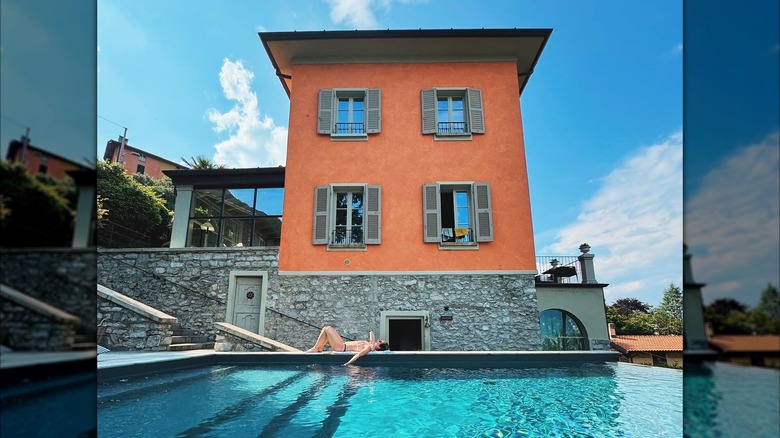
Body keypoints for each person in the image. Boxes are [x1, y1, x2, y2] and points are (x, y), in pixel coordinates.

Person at [305, 326, 389, 365]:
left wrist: (348, 363)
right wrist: (373, 343)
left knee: (327, 329)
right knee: (326, 330)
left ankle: (316, 348)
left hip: (340, 347)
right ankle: (319, 348)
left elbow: (358, 355)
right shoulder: (370, 344)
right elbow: (371, 333)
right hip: (342, 343)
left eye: (380, 341)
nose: (379, 340)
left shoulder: (368, 348)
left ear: (378, 346)